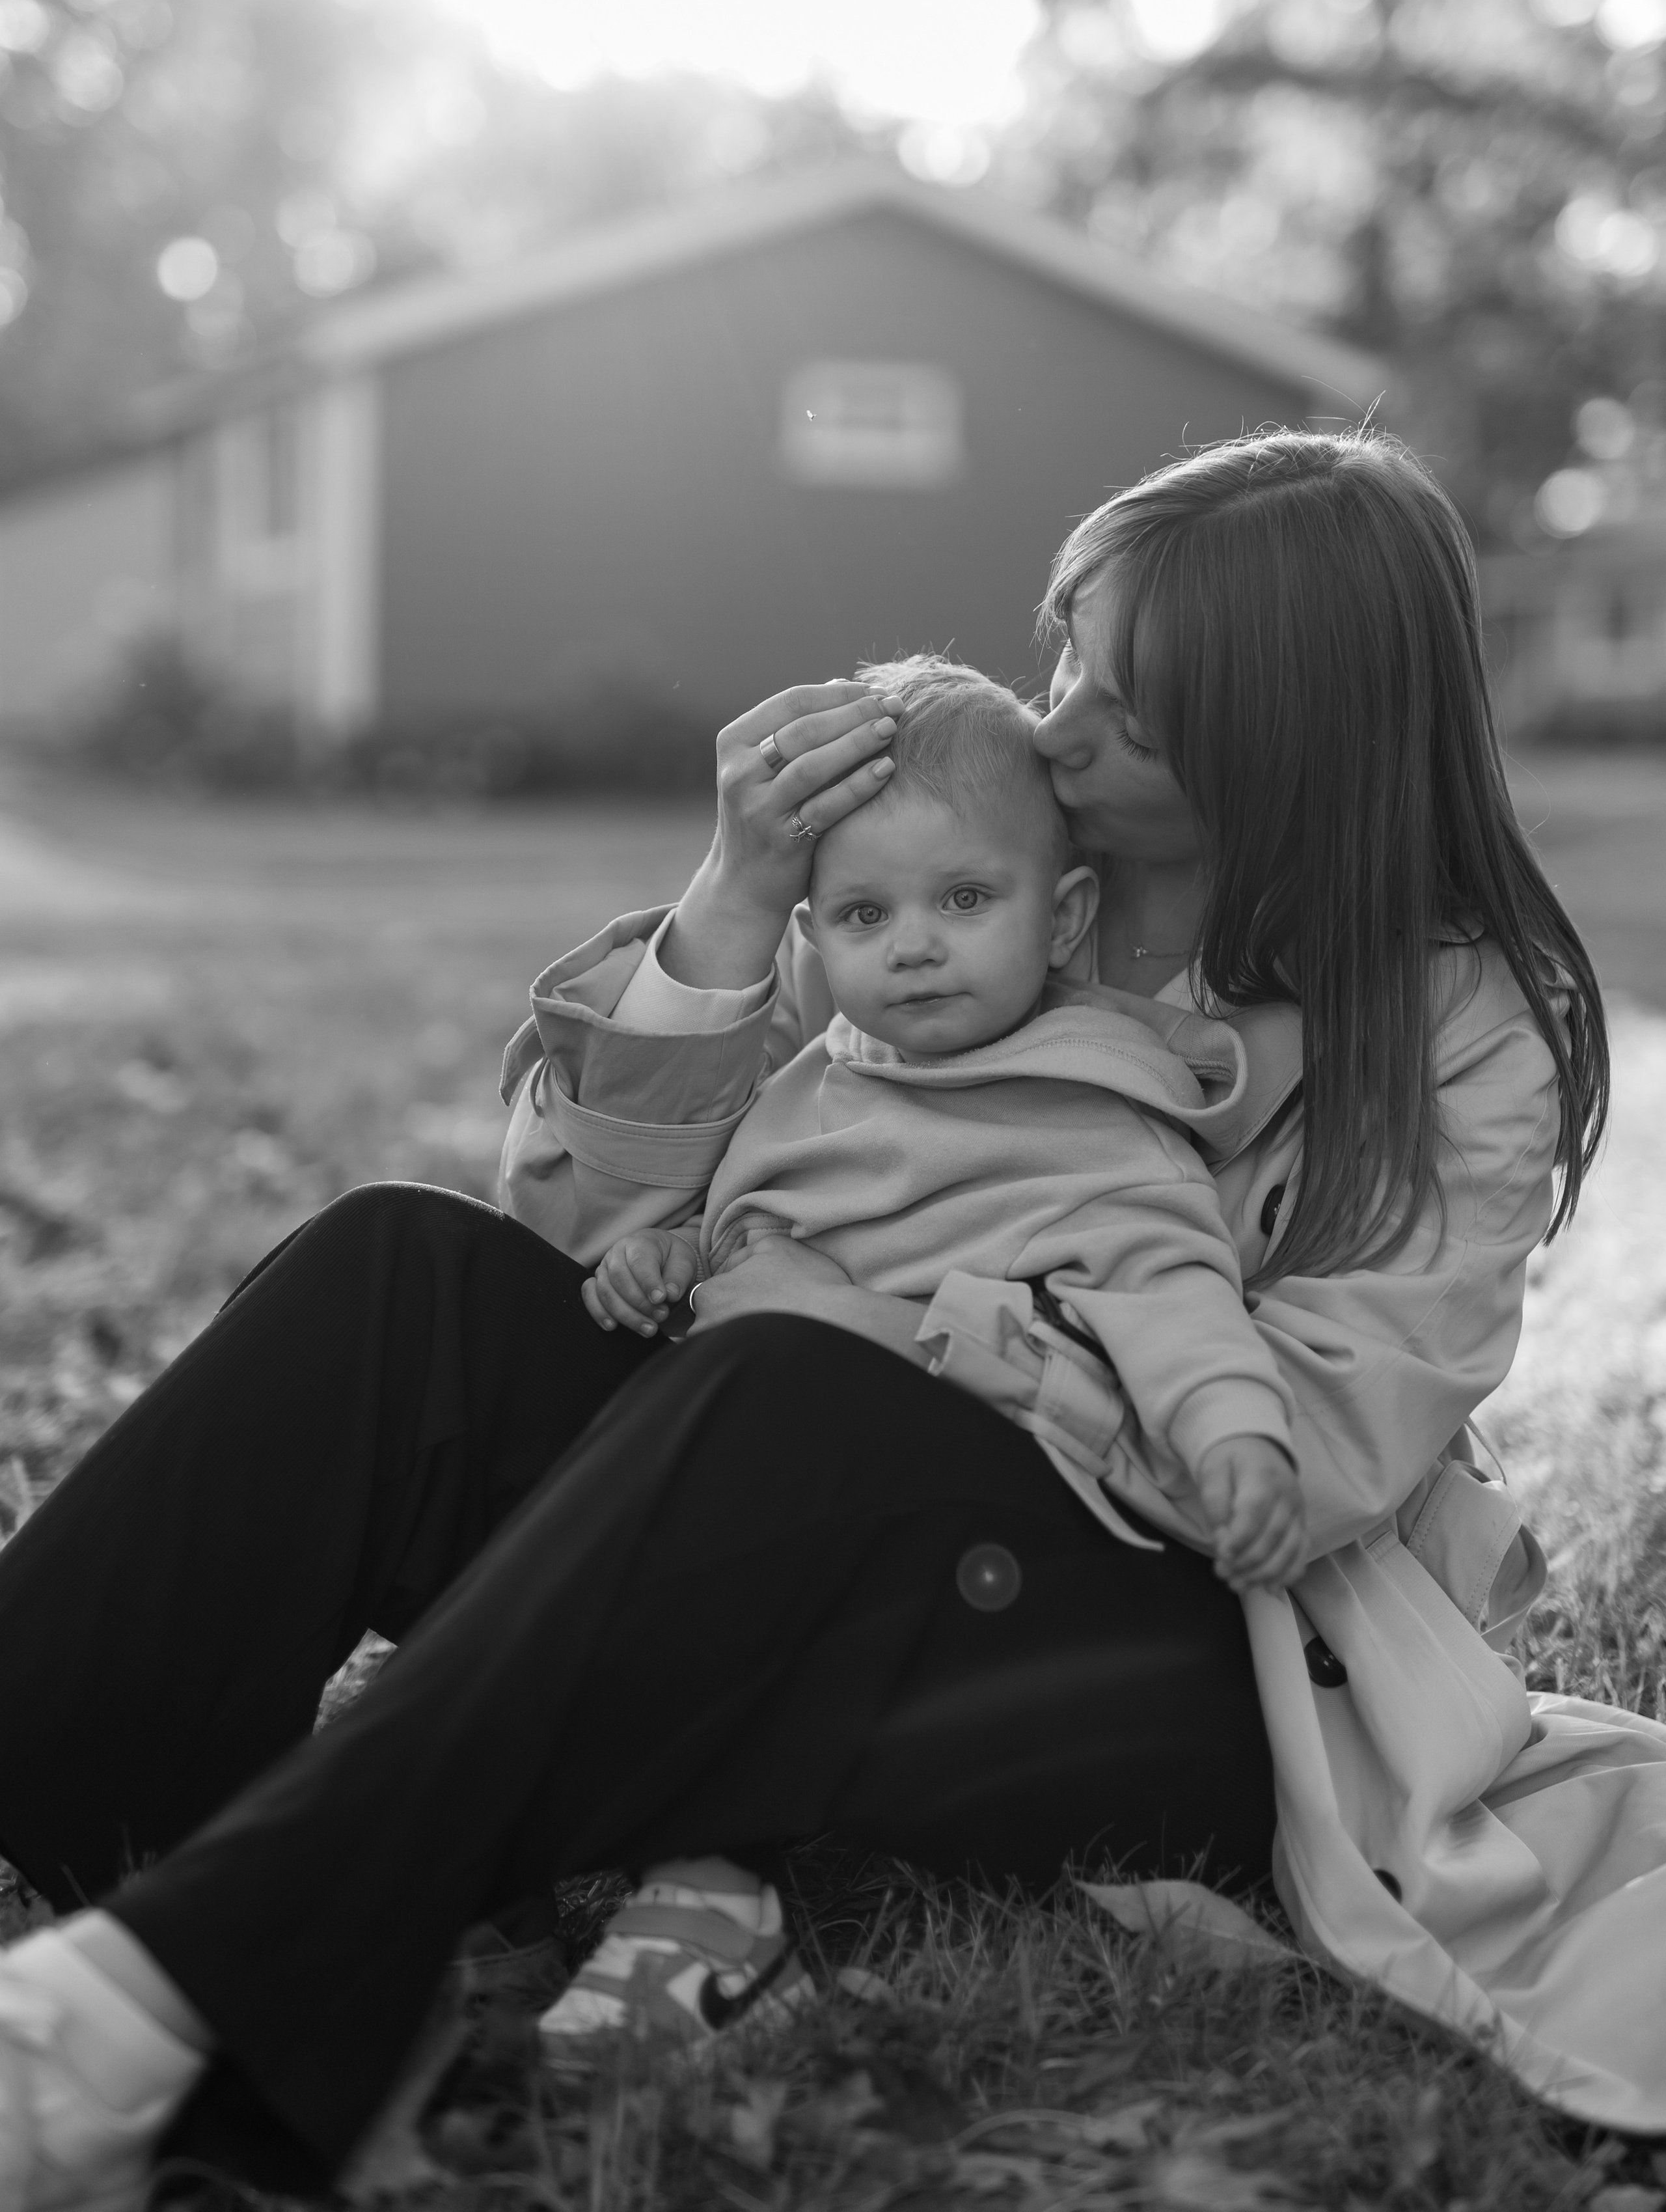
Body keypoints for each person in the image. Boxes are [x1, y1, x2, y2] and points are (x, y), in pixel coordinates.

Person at [0, 427, 1658, 2212]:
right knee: (392, 1276)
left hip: (1168, 1659)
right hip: (762, 1503)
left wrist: (889, 1321)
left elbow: (1316, 1454)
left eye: (1138, 713)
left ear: (1294, 747)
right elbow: (564, 1223)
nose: (1061, 724)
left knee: (798, 1384)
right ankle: (115, 1829)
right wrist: (730, 912)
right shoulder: (960, 862)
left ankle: (160, 2009)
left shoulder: (1464, 1025)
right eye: (1064, 654)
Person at [547, 649, 1307, 2049]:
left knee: (764, 1465)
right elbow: (729, 1237)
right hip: (744, 1500)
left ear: (1063, 913)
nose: (913, 944)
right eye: (863, 913)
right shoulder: (807, 1090)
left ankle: (708, 1887)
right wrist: (661, 1265)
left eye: (964, 901)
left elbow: (1171, 1296)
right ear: (811, 941)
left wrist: (1233, 1435)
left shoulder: (1090, 1117)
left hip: (966, 1561)